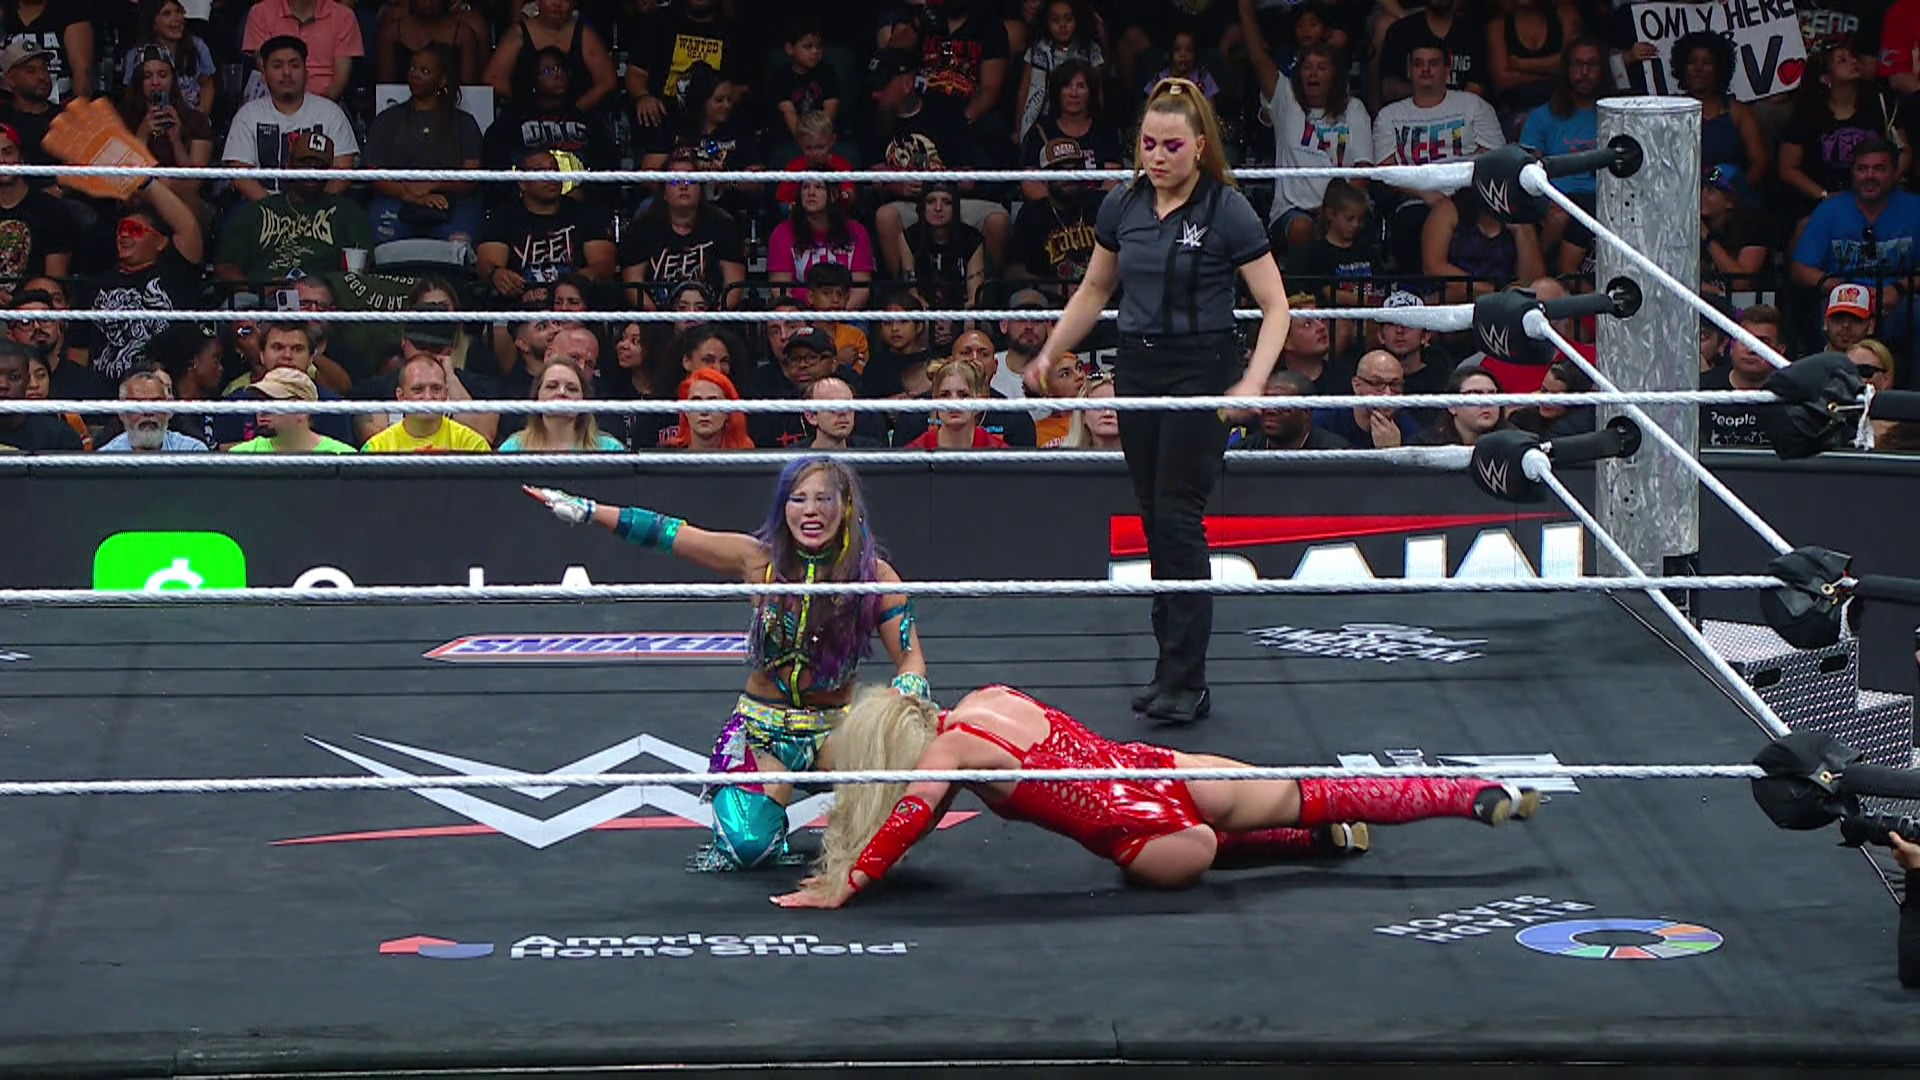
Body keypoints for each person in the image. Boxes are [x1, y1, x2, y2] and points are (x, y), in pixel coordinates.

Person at [1024, 77, 1292, 725]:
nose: (1158, 156)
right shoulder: (1123, 204)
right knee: (1153, 515)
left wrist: (1253, 380)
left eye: (1172, 145)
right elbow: (1095, 288)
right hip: (1139, 365)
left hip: (1204, 366)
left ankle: (1186, 678)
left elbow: (1276, 305)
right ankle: (1168, 670)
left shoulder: (1227, 208)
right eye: (1148, 144)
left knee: (1177, 515)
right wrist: (1051, 350)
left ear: (1199, 146)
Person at [772, 685, 1540, 908]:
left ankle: (1303, 845)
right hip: (1167, 768)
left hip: (1149, 836)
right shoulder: (989, 699)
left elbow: (910, 818)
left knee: (1193, 851)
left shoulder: (944, 757)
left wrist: (849, 882)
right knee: (1320, 791)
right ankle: (1471, 791)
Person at [523, 457, 928, 872]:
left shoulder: (874, 576)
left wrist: (906, 694)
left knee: (896, 770)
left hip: (835, 731)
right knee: (747, 845)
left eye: (824, 499)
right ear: (783, 507)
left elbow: (910, 657)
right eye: (799, 499)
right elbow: (669, 533)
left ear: (845, 506)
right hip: (763, 731)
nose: (811, 511)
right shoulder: (758, 562)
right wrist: (589, 511)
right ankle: (771, 809)